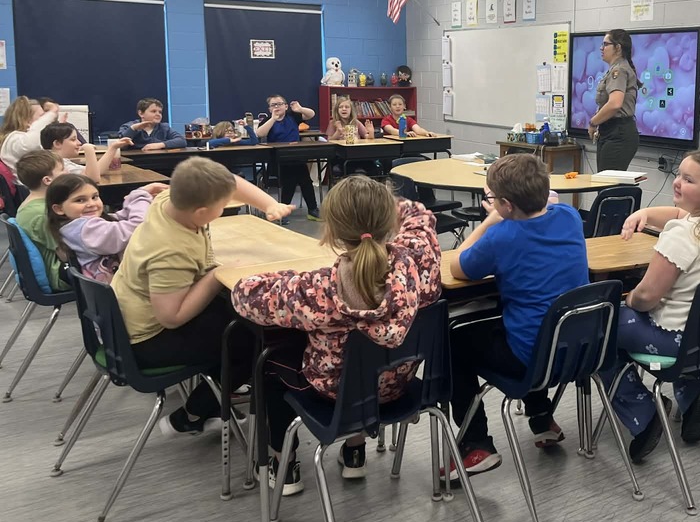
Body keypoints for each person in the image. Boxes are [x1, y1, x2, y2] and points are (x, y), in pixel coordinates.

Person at [231, 175, 441, 494]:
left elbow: (245, 294)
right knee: (359, 363)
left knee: (271, 365)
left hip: (333, 395)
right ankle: (355, 451)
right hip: (400, 387)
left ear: (332, 231)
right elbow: (419, 214)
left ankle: (282, 464)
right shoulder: (417, 258)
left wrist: (287, 277)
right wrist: (374, 205)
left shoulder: (319, 290)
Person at [110, 157, 292, 437]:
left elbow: (230, 182)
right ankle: (191, 414)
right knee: (256, 340)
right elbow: (172, 318)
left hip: (131, 319)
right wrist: (215, 275)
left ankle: (222, 389)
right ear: (202, 212)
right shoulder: (169, 251)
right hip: (147, 339)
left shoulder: (172, 199)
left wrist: (269, 204)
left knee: (239, 315)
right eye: (223, 206)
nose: (226, 207)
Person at [447, 154, 589, 476]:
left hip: (531, 357)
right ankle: (541, 419)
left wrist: (489, 222)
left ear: (507, 205)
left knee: (455, 339)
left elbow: (457, 265)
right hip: (575, 349)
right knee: (527, 318)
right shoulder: (569, 216)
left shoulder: (501, 236)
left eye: (493, 199)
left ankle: (476, 444)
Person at [607, 150, 700, 460]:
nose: (676, 183)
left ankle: (643, 413)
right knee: (683, 319)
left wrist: (629, 299)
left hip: (679, 342)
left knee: (602, 328)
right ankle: (693, 393)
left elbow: (647, 298)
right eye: (679, 175)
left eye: (688, 180)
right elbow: (678, 215)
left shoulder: (681, 237)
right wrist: (643, 215)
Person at [47, 175, 165, 284]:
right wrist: (140, 196)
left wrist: (135, 200)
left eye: (95, 197)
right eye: (80, 200)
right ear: (59, 209)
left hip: (113, 288)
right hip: (118, 293)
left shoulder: (72, 226)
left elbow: (119, 218)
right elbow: (138, 227)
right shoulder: (86, 230)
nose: (91, 204)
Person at [254, 95, 320, 222]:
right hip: (277, 159)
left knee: (303, 178)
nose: (277, 107)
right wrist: (273, 119)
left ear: (285, 106)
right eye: (273, 105)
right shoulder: (268, 120)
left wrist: (300, 109)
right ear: (269, 109)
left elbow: (311, 114)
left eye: (279, 104)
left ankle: (304, 210)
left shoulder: (292, 116)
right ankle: (310, 209)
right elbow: (260, 133)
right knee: (296, 176)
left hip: (295, 156)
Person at [14, 150, 68, 291]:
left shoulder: (29, 205)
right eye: (62, 170)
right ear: (47, 180)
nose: (67, 172)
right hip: (59, 274)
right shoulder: (42, 214)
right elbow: (65, 255)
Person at [588, 29, 640, 172]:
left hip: (618, 132)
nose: (601, 48)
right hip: (611, 131)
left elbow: (615, 104)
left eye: (605, 44)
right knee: (606, 185)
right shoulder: (615, 69)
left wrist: (593, 122)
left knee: (608, 186)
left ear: (618, 48)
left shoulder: (620, 70)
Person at [40, 122, 132, 182]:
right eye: (73, 139)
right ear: (57, 143)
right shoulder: (57, 165)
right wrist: (89, 150)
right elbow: (93, 178)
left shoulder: (62, 161)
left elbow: (96, 171)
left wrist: (113, 148)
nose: (79, 143)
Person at [0, 96, 61, 180]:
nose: (44, 120)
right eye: (42, 116)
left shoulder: (23, 139)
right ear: (26, 121)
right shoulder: (14, 139)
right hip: (26, 190)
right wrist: (52, 112)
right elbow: (30, 143)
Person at [118, 98, 187, 151]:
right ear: (141, 113)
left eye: (160, 112)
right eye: (153, 111)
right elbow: (120, 146)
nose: (158, 114)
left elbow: (181, 141)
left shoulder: (164, 127)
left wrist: (160, 145)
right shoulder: (128, 126)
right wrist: (133, 129)